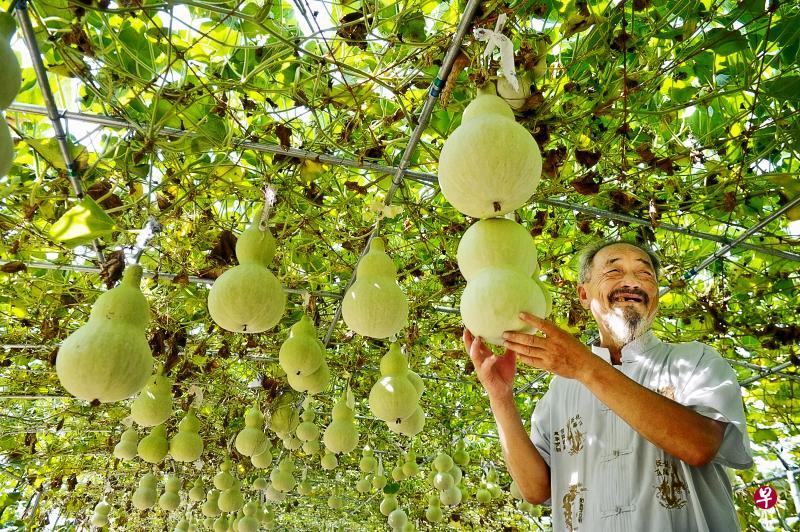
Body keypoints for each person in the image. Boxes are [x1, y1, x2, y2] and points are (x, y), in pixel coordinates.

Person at [464, 240, 753, 532]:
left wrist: (584, 366)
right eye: (613, 271)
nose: (631, 282)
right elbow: (536, 489)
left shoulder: (695, 359)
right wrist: (500, 397)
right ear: (583, 293)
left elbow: (700, 445)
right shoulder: (558, 393)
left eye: (645, 275)